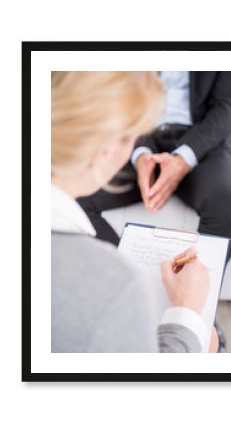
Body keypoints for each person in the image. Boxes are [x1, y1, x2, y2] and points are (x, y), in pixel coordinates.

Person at [51, 71, 217, 353]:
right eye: (134, 136)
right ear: (106, 150)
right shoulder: (116, 282)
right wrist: (187, 316)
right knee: (212, 339)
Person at [78, 72, 231, 260]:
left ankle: (187, 283)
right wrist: (140, 153)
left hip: (205, 143)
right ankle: (130, 277)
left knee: (229, 204)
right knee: (73, 191)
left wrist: (182, 159)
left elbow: (224, 109)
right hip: (138, 135)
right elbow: (123, 100)